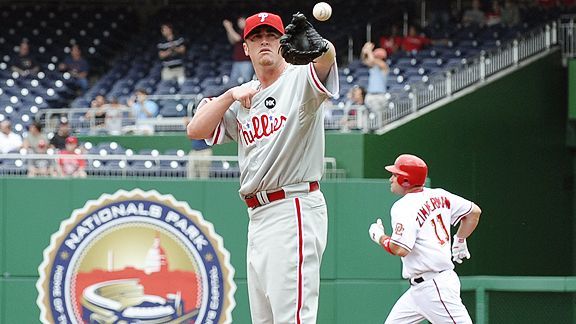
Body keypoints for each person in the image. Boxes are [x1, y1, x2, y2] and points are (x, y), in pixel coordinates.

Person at [187, 11, 338, 324]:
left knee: (292, 318)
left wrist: (323, 46)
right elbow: (196, 130)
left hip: (292, 206)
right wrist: (230, 95)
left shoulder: (299, 79)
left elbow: (324, 62)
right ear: (246, 48)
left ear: (283, 42)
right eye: (257, 37)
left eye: (271, 36)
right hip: (258, 217)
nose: (264, 41)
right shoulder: (244, 95)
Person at [368, 154, 481, 324]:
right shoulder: (440, 195)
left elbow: (400, 249)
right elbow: (474, 212)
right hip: (420, 289)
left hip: (434, 286)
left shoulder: (404, 207)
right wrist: (460, 239)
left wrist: (379, 237)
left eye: (395, 175)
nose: (391, 179)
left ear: (406, 181)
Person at [223, 16, 254, 84]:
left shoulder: (247, 30)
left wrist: (229, 27)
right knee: (234, 83)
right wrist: (228, 30)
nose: (239, 23)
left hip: (246, 61)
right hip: (237, 61)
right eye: (238, 21)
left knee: (246, 82)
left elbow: (238, 39)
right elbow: (232, 41)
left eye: (241, 21)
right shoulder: (239, 31)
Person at [361, 42, 389, 117]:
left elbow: (372, 60)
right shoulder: (373, 67)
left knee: (379, 119)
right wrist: (364, 51)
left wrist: (369, 50)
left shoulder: (384, 65)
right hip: (370, 95)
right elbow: (364, 61)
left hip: (379, 96)